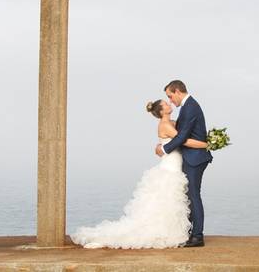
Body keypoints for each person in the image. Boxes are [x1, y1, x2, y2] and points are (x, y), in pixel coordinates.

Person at [70, 90, 209, 249]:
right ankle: (163, 232)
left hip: (177, 163)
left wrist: (163, 146)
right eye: (165, 103)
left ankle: (175, 231)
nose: (169, 103)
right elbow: (182, 140)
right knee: (167, 199)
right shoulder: (165, 125)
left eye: (168, 100)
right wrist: (207, 144)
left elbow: (187, 130)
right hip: (170, 165)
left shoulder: (172, 122)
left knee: (175, 200)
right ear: (161, 111)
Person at [156, 80, 213, 247]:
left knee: (193, 195)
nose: (170, 100)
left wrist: (164, 149)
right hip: (191, 157)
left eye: (170, 96)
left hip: (195, 158)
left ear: (178, 91)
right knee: (189, 196)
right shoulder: (188, 106)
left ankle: (197, 236)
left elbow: (182, 138)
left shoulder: (190, 107)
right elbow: (178, 133)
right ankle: (189, 232)